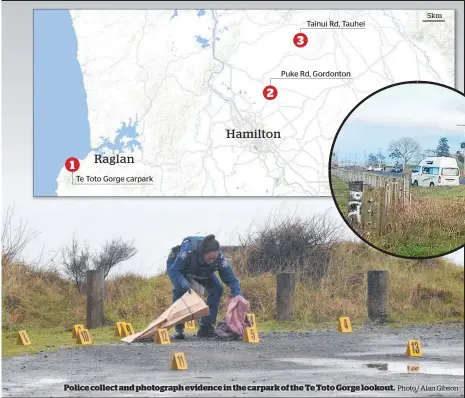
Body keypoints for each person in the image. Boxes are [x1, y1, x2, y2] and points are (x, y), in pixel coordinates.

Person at [166, 234, 242, 339]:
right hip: (178, 266)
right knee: (181, 289)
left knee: (217, 288)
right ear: (203, 253)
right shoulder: (188, 251)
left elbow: (232, 279)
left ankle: (205, 327)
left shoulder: (219, 257)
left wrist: (237, 294)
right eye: (209, 258)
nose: (212, 261)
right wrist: (182, 281)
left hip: (201, 269)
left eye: (214, 259)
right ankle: (179, 329)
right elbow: (175, 270)